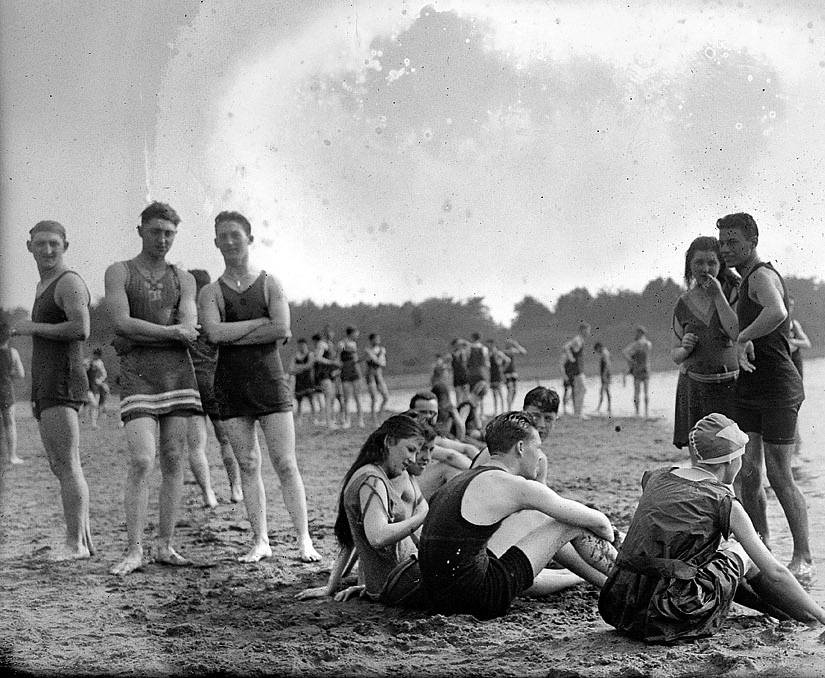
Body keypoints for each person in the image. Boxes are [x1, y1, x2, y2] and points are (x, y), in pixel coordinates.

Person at [599, 414, 825, 643]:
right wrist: (822, 614)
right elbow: (776, 573)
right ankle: (807, 617)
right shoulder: (722, 501)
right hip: (668, 617)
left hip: (620, 605)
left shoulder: (655, 477)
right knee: (744, 554)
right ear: (730, 461)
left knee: (716, 553)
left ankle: (791, 615)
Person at [199, 210, 320, 563]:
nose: (230, 241)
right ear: (216, 242)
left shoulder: (270, 283)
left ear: (250, 239)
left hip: (270, 383)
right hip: (231, 386)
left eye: (236, 234)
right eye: (223, 235)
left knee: (285, 463)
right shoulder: (211, 291)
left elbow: (281, 330)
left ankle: (304, 539)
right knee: (248, 464)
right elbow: (213, 334)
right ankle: (261, 540)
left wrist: (233, 332)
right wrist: (259, 324)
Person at [418, 411, 618, 619]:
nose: (540, 456)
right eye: (537, 448)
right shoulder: (513, 485)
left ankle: (608, 583)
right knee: (569, 524)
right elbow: (600, 523)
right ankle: (627, 582)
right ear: (521, 448)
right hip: (477, 599)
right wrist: (610, 537)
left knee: (538, 519)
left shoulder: (466, 478)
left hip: (440, 597)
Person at [105, 203, 203, 575]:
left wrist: (169, 333)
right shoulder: (119, 272)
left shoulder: (185, 278)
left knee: (175, 458)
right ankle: (134, 550)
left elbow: (190, 325)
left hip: (177, 374)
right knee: (143, 459)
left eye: (169, 233)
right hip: (137, 375)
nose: (162, 239)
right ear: (141, 230)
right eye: (156, 231)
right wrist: (168, 333)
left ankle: (164, 544)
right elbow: (121, 322)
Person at [717, 212, 810, 580]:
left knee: (779, 473)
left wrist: (743, 338)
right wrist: (742, 333)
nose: (726, 249)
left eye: (733, 242)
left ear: (752, 242)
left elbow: (778, 310)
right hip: (751, 387)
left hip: (778, 387)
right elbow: (741, 324)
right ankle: (763, 546)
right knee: (750, 473)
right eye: (723, 242)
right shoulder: (743, 281)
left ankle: (804, 556)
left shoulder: (761, 276)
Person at [14, 220, 95, 559]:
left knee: (67, 462)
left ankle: (75, 544)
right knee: (60, 464)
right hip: (48, 380)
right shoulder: (43, 284)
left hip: (63, 378)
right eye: (41, 244)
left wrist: (31, 327)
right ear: (29, 246)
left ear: (65, 245)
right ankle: (84, 541)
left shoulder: (69, 282)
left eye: (54, 244)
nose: (47, 250)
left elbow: (82, 328)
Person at [295, 415, 428, 603]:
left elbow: (353, 538)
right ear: (389, 441)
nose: (413, 459)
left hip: (398, 579)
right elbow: (377, 536)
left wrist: (334, 586)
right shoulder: (372, 479)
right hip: (401, 582)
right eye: (410, 449)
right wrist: (421, 517)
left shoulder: (373, 475)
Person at [670, 237, 739, 450]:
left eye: (712, 262)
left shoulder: (733, 291)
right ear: (689, 265)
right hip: (694, 389)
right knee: (700, 458)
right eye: (699, 262)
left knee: (734, 457)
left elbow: (737, 332)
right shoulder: (683, 302)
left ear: (721, 264)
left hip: (731, 387)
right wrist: (684, 348)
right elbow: (675, 355)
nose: (705, 268)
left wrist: (718, 295)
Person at [188, 268, 242, 506]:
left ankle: (208, 493)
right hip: (215, 383)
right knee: (226, 441)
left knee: (197, 445)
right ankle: (235, 488)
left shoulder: (183, 317)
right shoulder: (215, 316)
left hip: (191, 385)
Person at [787, 296, 811, 468]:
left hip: (795, 370)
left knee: (795, 410)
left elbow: (806, 343)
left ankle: (797, 452)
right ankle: (793, 453)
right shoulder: (774, 321)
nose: (790, 308)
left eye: (792, 305)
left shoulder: (794, 324)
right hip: (783, 372)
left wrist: (792, 341)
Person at [0, 320, 25, 465]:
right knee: (10, 423)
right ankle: (12, 456)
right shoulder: (12, 352)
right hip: (6, 390)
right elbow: (21, 374)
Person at [313, 328, 341, 428]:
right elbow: (318, 357)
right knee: (328, 397)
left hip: (331, 374)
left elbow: (334, 359)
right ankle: (329, 422)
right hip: (324, 374)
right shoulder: (322, 344)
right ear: (325, 333)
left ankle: (331, 420)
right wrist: (331, 362)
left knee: (332, 397)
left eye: (332, 332)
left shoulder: (331, 345)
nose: (331, 334)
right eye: (329, 332)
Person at [338, 326, 365, 429]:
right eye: (356, 333)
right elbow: (339, 357)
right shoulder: (342, 343)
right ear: (351, 333)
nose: (357, 335)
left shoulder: (354, 344)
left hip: (355, 371)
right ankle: (347, 420)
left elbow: (356, 359)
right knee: (346, 398)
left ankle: (360, 420)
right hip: (346, 371)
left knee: (358, 397)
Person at [562, 323, 590, 418]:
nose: (588, 332)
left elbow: (567, 347)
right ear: (582, 330)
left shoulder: (579, 340)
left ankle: (578, 412)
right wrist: (571, 358)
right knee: (582, 389)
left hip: (579, 369)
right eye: (587, 330)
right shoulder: (577, 340)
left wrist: (571, 357)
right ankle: (578, 412)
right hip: (577, 370)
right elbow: (566, 347)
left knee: (580, 390)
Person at [623, 326, 652, 418]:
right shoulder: (648, 344)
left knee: (637, 392)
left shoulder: (635, 344)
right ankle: (646, 412)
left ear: (639, 333)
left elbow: (625, 352)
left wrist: (631, 361)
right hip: (646, 368)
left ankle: (637, 412)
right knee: (646, 392)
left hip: (637, 369)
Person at [289, 338, 318, 426]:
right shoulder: (295, 356)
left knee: (311, 400)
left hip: (308, 380)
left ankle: (314, 419)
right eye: (300, 346)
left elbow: (309, 365)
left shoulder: (310, 354)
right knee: (299, 402)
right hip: (299, 381)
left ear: (306, 345)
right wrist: (301, 368)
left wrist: (297, 367)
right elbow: (291, 369)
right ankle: (299, 420)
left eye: (303, 345)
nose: (301, 347)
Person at [466, 333, 491, 426]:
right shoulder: (484, 349)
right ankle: (482, 413)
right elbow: (487, 363)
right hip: (481, 373)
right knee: (481, 394)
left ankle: (474, 414)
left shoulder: (469, 348)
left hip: (472, 373)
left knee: (472, 394)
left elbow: (467, 361)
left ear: (472, 338)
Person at [364, 333, 390, 422]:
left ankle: (379, 416)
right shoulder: (368, 350)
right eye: (375, 339)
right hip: (370, 376)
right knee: (374, 398)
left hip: (379, 376)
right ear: (371, 340)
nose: (378, 341)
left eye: (378, 339)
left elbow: (383, 363)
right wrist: (379, 358)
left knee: (386, 396)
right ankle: (373, 418)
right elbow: (376, 361)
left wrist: (378, 358)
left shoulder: (381, 349)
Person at [85, 347, 110, 430]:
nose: (96, 357)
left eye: (98, 356)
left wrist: (99, 380)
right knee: (94, 404)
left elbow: (104, 374)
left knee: (94, 406)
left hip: (94, 387)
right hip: (87, 387)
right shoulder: (87, 361)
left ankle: (94, 425)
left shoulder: (99, 363)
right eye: (95, 355)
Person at [486, 339, 510, 417]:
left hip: (498, 375)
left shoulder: (498, 353)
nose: (488, 346)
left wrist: (503, 369)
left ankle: (503, 410)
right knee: (494, 394)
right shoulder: (489, 354)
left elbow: (507, 360)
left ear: (493, 344)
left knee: (500, 393)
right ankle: (496, 411)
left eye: (489, 344)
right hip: (492, 375)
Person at [503, 338, 527, 410]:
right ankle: (509, 408)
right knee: (510, 390)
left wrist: (516, 345)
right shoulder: (505, 352)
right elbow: (523, 352)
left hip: (513, 373)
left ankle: (510, 406)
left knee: (514, 391)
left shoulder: (512, 351)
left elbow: (524, 352)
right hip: (507, 373)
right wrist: (516, 345)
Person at [593, 342, 612, 417]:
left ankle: (599, 407)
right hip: (605, 374)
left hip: (605, 374)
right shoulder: (604, 352)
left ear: (599, 347)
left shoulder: (604, 353)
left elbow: (607, 364)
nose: (597, 352)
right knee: (606, 391)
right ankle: (608, 407)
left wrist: (604, 374)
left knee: (602, 391)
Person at [450, 338, 470, 404]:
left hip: (464, 375)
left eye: (459, 344)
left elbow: (469, 345)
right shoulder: (452, 354)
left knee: (466, 395)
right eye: (457, 344)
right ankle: (459, 410)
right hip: (457, 376)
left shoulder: (464, 352)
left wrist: (463, 341)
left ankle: (467, 410)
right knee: (458, 395)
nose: (458, 345)